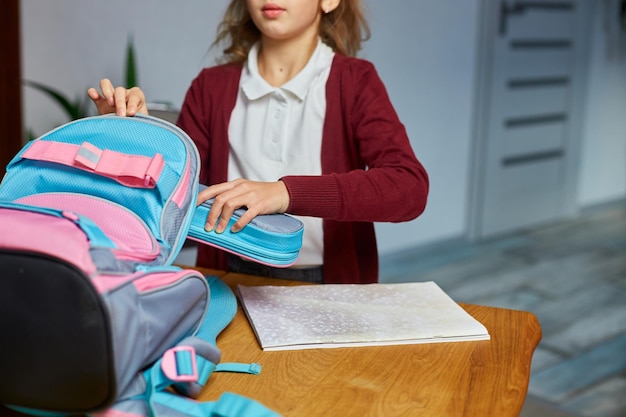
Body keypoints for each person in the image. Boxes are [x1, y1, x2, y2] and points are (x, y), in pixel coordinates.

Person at [88, 0, 429, 284]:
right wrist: (137, 135)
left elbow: (409, 187)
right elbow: (176, 198)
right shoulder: (211, 87)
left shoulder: (356, 82)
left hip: (329, 283)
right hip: (226, 278)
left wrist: (284, 193)